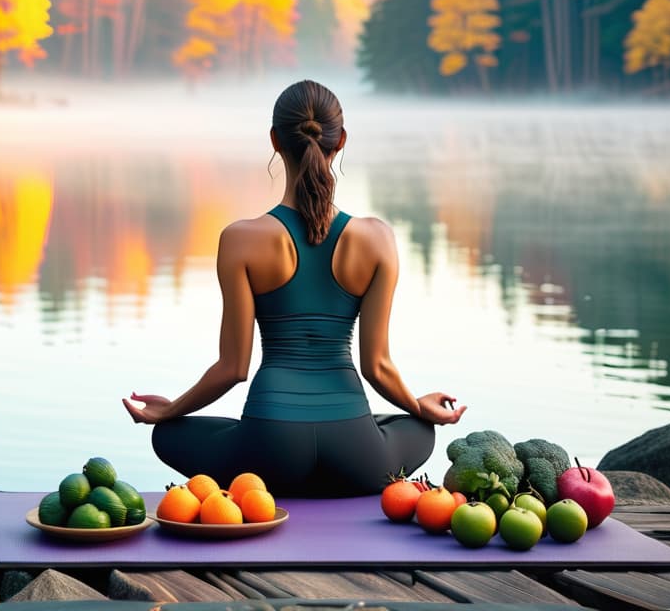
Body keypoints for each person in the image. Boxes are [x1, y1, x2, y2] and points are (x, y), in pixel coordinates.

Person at [122, 80, 466, 497]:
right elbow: (377, 367)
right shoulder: (377, 238)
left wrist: (171, 410)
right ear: (340, 141)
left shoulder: (240, 238)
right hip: (358, 460)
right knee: (415, 427)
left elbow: (232, 369)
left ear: (274, 140)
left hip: (267, 458)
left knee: (169, 435)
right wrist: (417, 405)